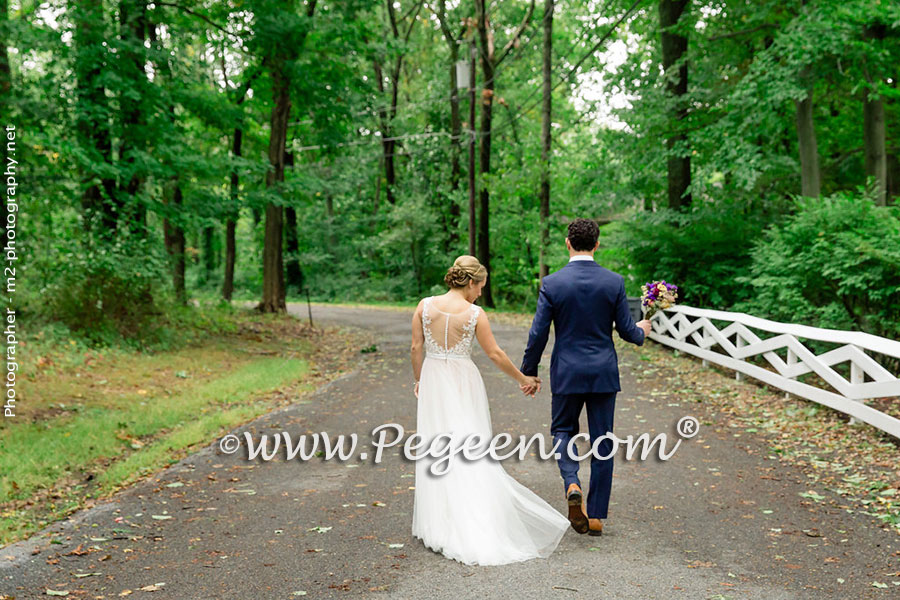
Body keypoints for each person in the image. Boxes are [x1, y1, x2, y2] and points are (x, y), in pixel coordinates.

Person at [409, 255, 570, 566]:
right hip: (462, 380)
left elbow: (416, 348)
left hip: (433, 379)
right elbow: (494, 354)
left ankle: (440, 522)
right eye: (480, 286)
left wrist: (419, 380)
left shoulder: (424, 305)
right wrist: (524, 379)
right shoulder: (474, 313)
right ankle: (469, 517)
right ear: (470, 282)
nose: (481, 292)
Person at [521, 218, 652, 537]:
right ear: (597, 244)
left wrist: (529, 370)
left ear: (568, 243)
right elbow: (627, 332)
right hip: (603, 372)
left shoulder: (552, 283)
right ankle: (595, 516)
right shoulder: (613, 281)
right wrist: (643, 330)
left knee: (563, 429)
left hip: (566, 370)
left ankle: (572, 483)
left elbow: (538, 332)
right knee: (602, 439)